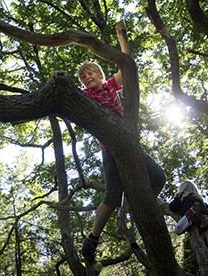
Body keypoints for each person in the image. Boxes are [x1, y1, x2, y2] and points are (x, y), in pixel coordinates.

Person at [79, 22, 166, 264]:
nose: (87, 78)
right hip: (110, 149)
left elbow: (127, 63)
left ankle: (138, 206)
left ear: (100, 75)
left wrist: (121, 35)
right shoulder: (84, 97)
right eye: (84, 77)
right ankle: (92, 240)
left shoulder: (109, 87)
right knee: (113, 194)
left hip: (130, 144)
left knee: (159, 177)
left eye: (91, 73)